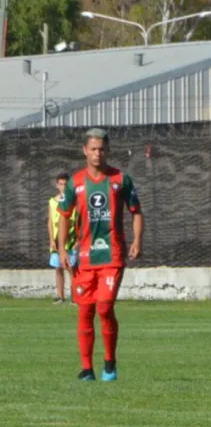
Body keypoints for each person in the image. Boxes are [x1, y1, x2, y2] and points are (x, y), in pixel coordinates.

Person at [58, 128, 144, 382]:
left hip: (112, 255)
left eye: (102, 149)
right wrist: (62, 249)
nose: (98, 153)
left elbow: (136, 211)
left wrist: (137, 240)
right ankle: (87, 369)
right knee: (85, 311)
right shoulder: (76, 182)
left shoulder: (120, 179)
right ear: (85, 150)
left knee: (104, 308)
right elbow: (64, 216)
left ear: (108, 151)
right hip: (84, 258)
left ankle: (109, 363)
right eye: (93, 149)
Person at [48, 173, 77, 303]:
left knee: (71, 268)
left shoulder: (73, 202)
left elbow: (77, 220)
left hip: (70, 240)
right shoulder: (52, 202)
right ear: (56, 185)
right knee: (58, 268)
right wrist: (51, 240)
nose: (63, 187)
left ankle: (75, 295)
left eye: (66, 184)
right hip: (56, 240)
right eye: (61, 184)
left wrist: (78, 241)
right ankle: (60, 296)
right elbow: (50, 222)